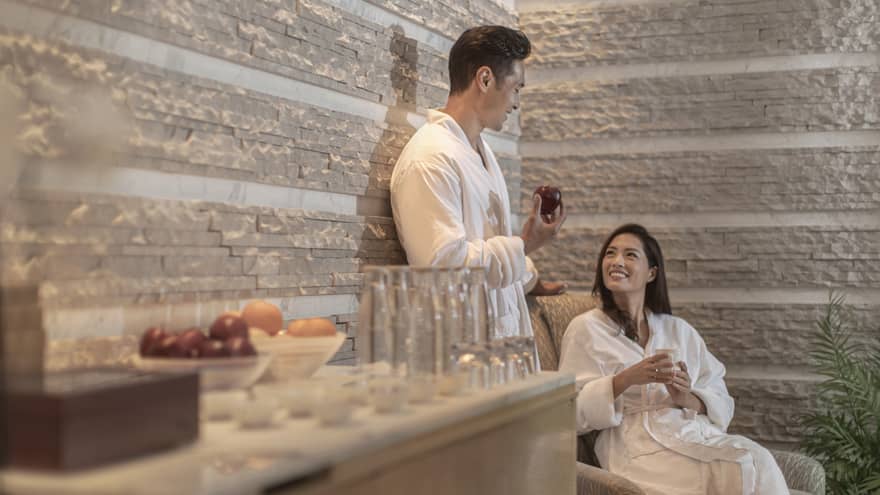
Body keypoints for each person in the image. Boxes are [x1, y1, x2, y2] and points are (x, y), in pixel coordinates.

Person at [558, 224, 789, 495]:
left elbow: (721, 397)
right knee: (741, 468)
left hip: (690, 433)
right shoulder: (586, 329)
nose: (617, 261)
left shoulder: (678, 330)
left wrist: (685, 397)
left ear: (652, 273)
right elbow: (565, 413)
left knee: (757, 460)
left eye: (630, 255)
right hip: (635, 450)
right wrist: (624, 380)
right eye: (610, 253)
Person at [390, 26, 567, 341]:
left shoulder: (481, 152)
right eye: (516, 89)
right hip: (463, 358)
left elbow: (484, 244)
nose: (516, 103)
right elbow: (442, 268)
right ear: (485, 79)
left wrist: (526, 276)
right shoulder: (430, 158)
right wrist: (525, 243)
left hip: (501, 349)